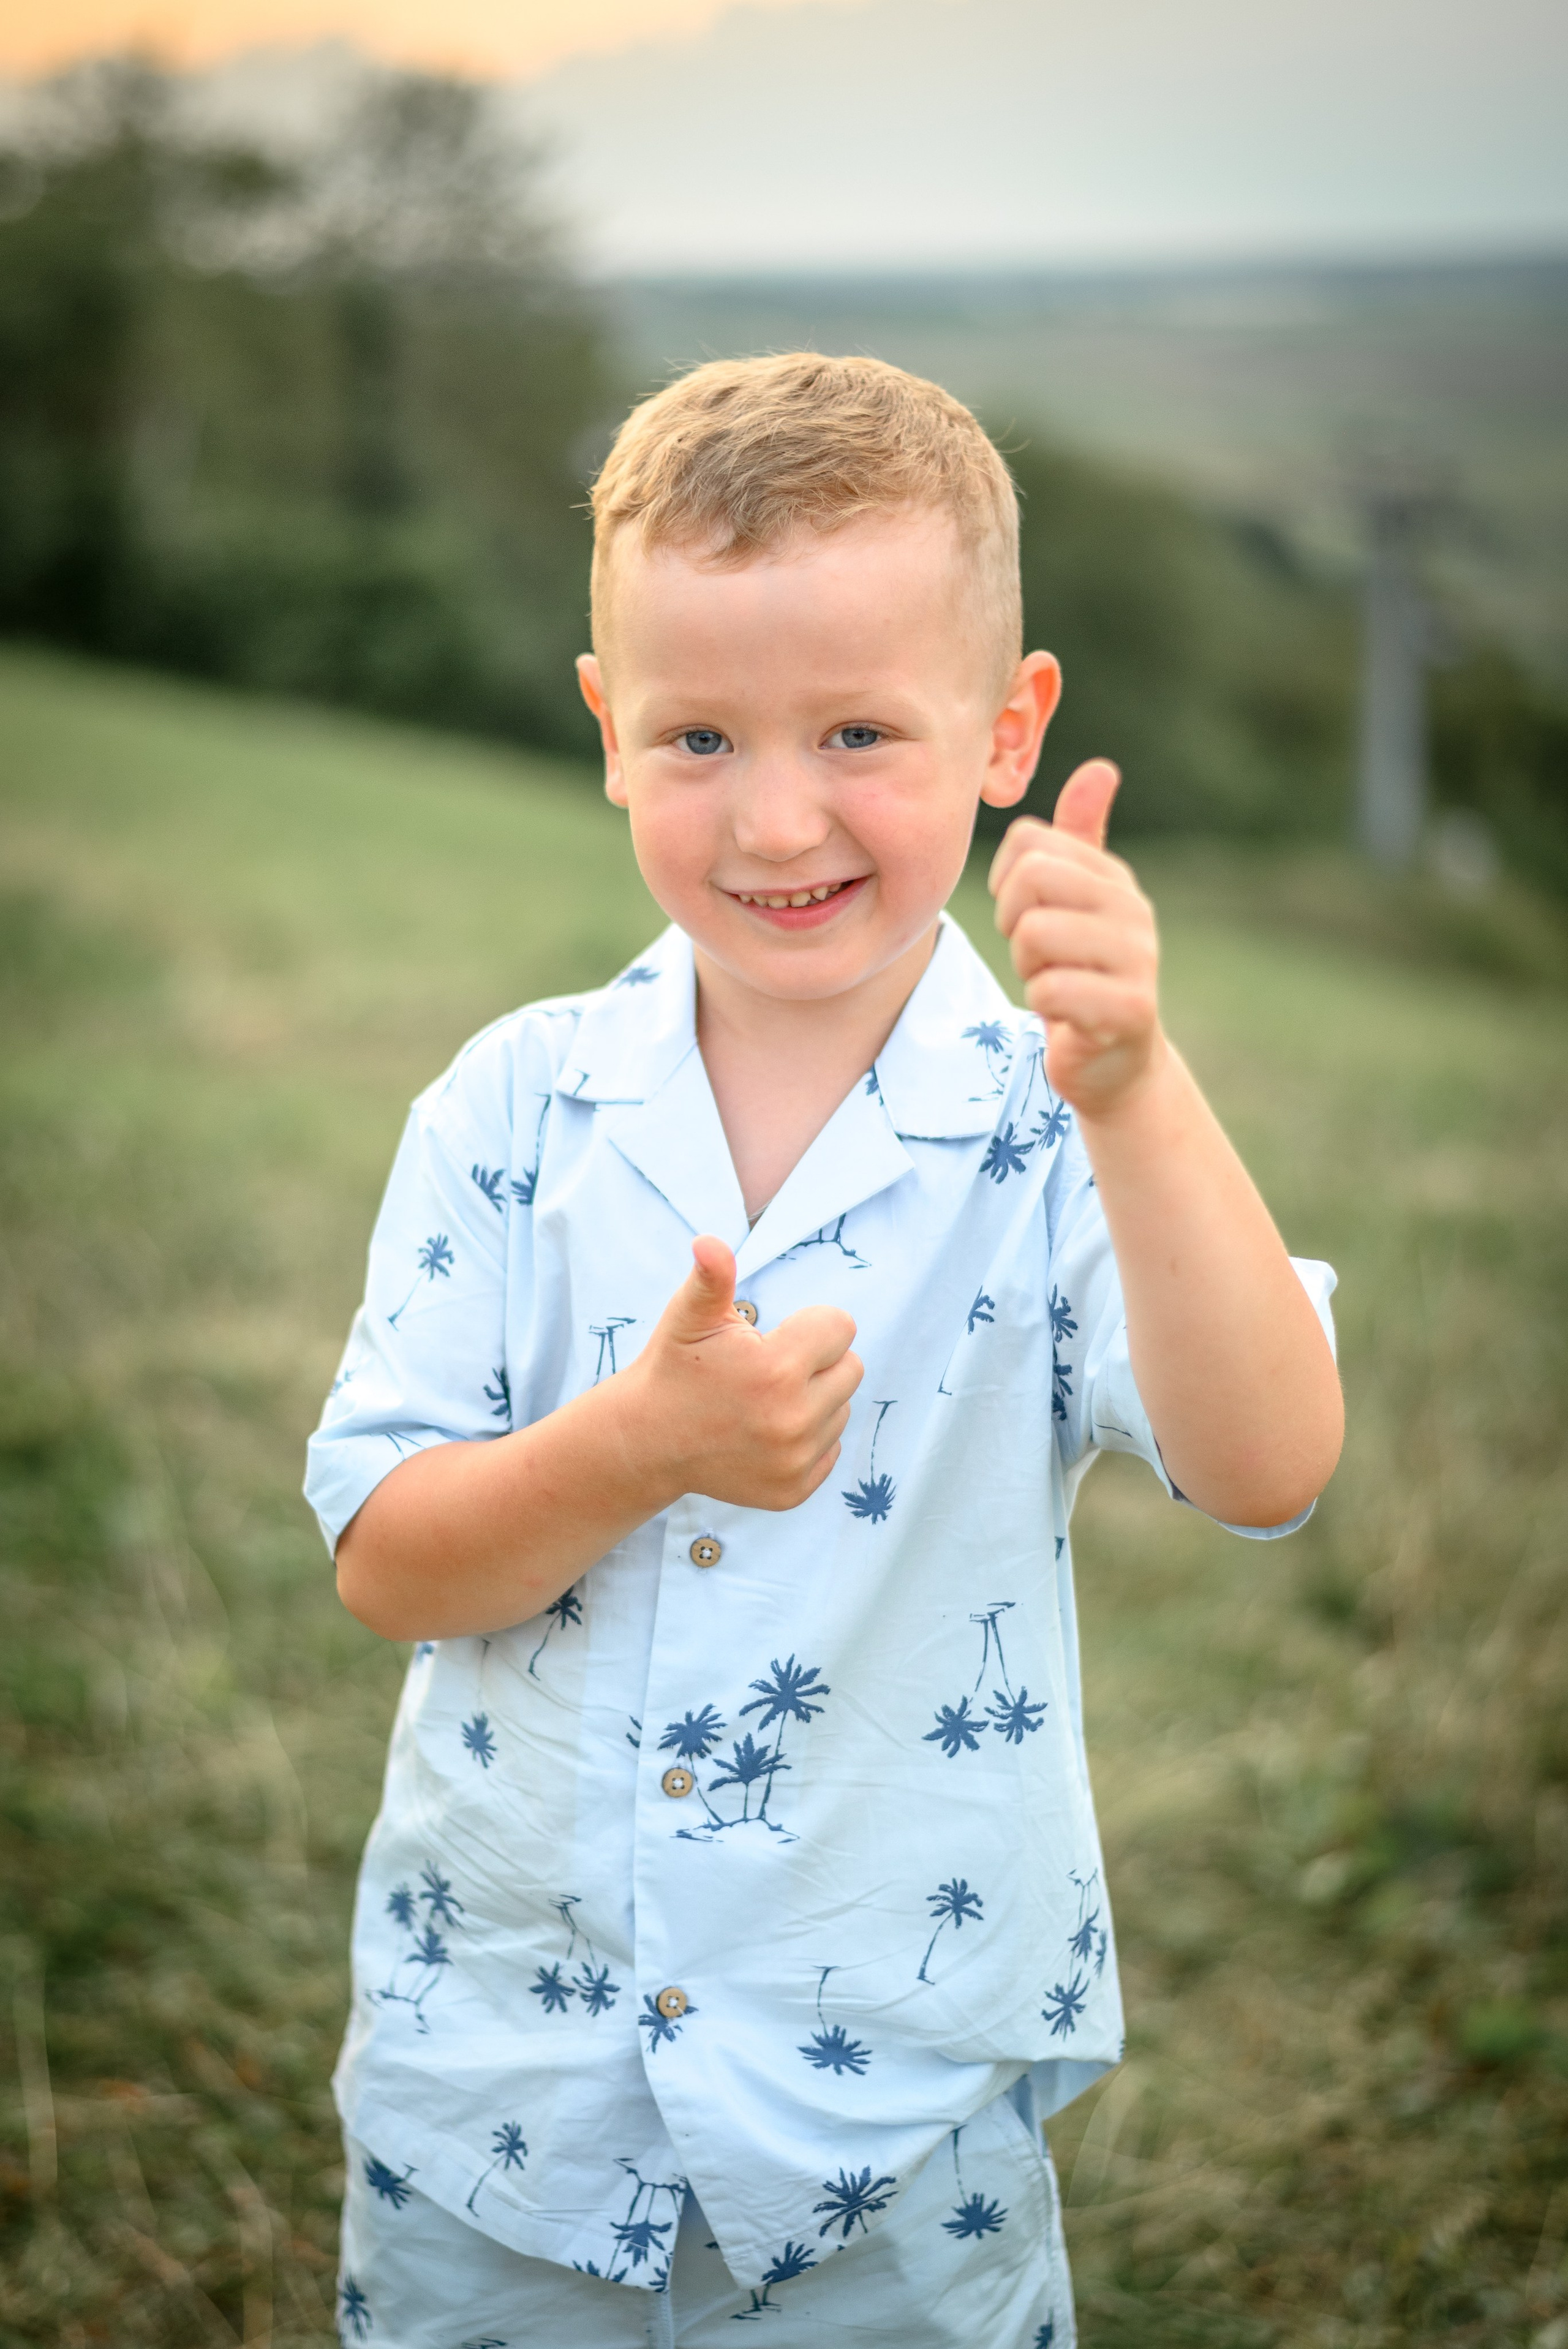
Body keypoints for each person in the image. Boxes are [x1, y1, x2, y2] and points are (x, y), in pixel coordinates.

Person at [305, 353, 1343, 2348]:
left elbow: (1270, 1460)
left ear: (1007, 727)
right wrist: (631, 1446)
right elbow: (385, 1556)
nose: (776, 814)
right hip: (502, 2111)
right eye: (699, 733)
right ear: (609, 730)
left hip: (887, 2148)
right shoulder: (510, 1113)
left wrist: (1134, 1088)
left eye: (858, 728)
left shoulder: (1061, 1133)